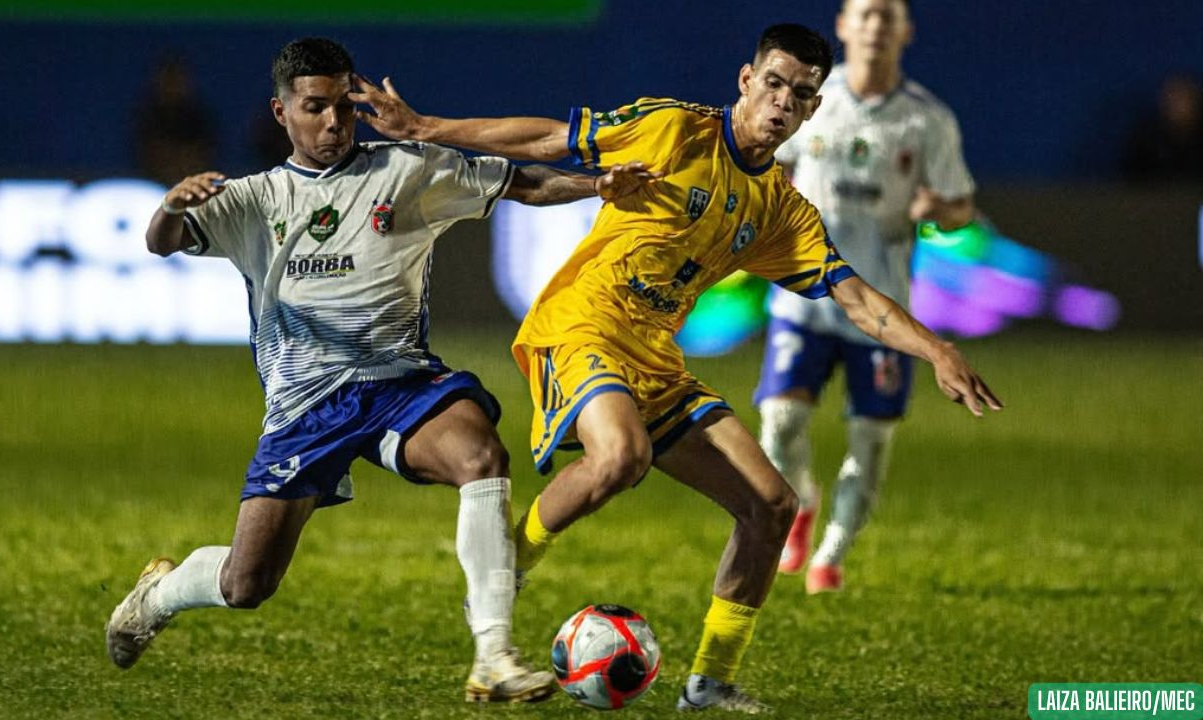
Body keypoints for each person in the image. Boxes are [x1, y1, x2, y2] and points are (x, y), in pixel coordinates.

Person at [351, 22, 1000, 713]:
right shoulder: (673, 129)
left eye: (800, 94)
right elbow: (551, 138)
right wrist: (426, 125)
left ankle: (709, 684)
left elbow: (854, 295)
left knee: (771, 506)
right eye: (773, 83)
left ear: (812, 110)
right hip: (584, 323)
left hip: (654, 357)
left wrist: (937, 349)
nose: (782, 102)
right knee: (621, 455)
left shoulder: (781, 210)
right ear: (746, 82)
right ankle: (508, 567)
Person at [105, 37, 656, 705]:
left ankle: (493, 655)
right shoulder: (255, 199)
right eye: (316, 108)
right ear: (282, 114)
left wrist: (597, 186)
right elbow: (160, 244)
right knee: (246, 585)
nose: (334, 122)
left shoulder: (406, 170)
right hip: (305, 409)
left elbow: (518, 181)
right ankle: (157, 595)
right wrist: (170, 208)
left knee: (481, 456)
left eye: (343, 106)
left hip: (399, 385)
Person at [751, 0, 979, 595]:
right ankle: (801, 505)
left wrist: (940, 211)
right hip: (805, 299)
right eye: (865, 14)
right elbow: (766, 166)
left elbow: (961, 205)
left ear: (905, 32)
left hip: (881, 310)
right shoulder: (811, 104)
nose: (876, 26)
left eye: (888, 16)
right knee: (779, 423)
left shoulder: (927, 120)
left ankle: (831, 554)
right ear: (845, 27)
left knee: (870, 441)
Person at [132, 55, 218, 186]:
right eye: (168, 80)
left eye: (177, 80)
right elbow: (146, 153)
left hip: (193, 186)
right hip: (154, 183)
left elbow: (205, 153)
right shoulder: (147, 118)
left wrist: (186, 165)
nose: (172, 86)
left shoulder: (198, 118)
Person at [1121, 72, 1203, 183]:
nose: (1177, 105)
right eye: (1172, 98)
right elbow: (1132, 182)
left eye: (1183, 99)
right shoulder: (1147, 140)